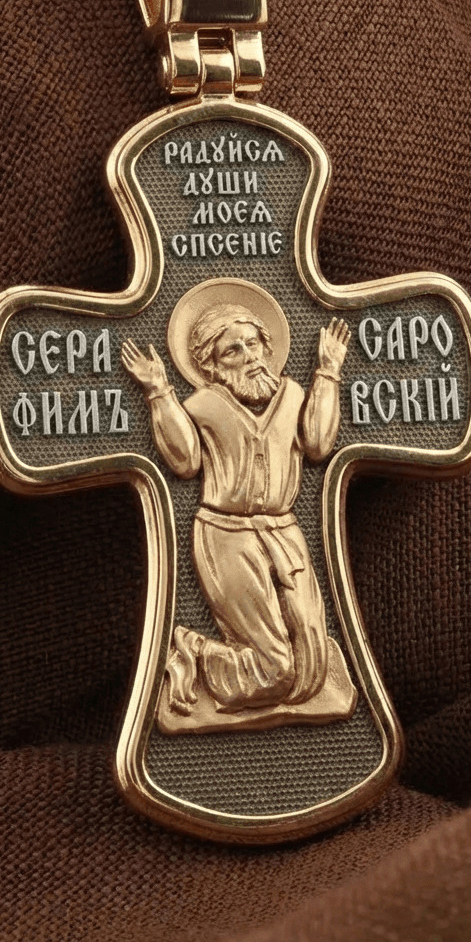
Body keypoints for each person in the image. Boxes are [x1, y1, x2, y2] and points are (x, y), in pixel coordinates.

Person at [121, 303, 351, 719]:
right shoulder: (203, 406)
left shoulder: (293, 395)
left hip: (284, 531)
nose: (249, 357)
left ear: (267, 346)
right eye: (233, 350)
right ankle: (192, 650)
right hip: (227, 535)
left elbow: (319, 444)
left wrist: (329, 371)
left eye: (253, 344)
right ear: (211, 365)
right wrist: (158, 390)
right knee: (275, 670)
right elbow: (184, 462)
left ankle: (241, 671)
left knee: (311, 669)